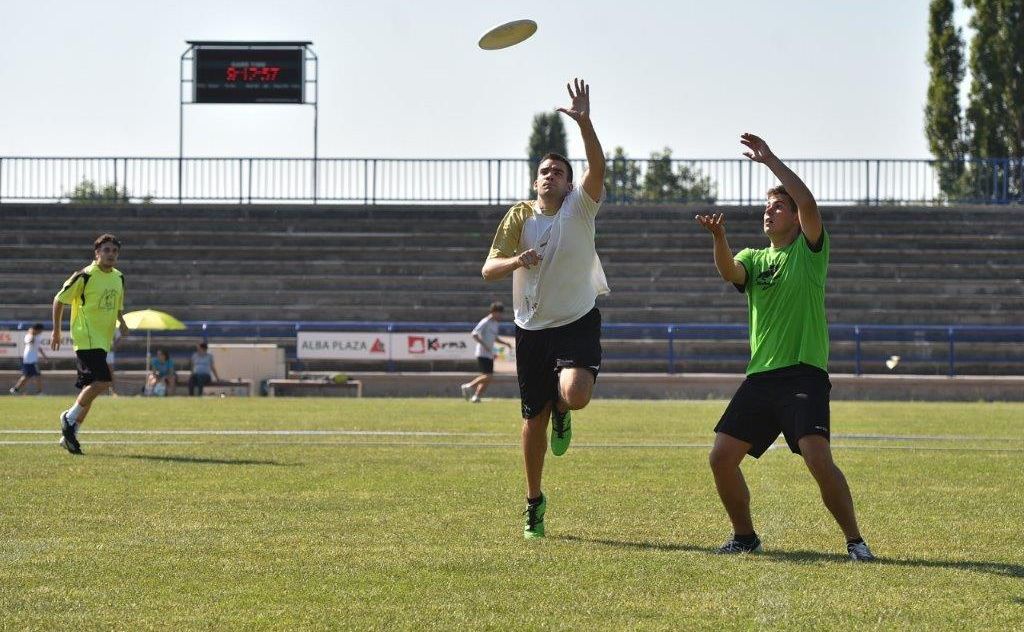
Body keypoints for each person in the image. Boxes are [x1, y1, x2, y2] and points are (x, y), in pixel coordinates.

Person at [694, 133, 874, 562]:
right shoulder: (755, 258)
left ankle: (855, 541)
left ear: (795, 217)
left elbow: (808, 202)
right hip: (761, 377)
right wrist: (719, 238)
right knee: (721, 458)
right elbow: (729, 272)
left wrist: (771, 160)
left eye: (778, 207)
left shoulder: (809, 252)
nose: (769, 212)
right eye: (767, 207)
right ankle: (744, 536)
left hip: (803, 373)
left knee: (817, 458)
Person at [481, 78, 607, 539]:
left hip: (576, 319)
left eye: (558, 171)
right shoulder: (520, 216)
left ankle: (563, 408)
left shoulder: (581, 207)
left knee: (575, 394)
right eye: (544, 171)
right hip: (531, 327)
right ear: (535, 180)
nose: (551, 175)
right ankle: (534, 501)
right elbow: (489, 270)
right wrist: (518, 260)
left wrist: (584, 123)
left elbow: (598, 165)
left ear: (569, 183)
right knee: (531, 419)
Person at [52, 233, 129, 455]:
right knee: (104, 380)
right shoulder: (84, 276)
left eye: (114, 251)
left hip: (103, 340)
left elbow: (117, 305)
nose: (111, 254)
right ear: (97, 253)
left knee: (92, 390)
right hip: (86, 337)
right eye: (106, 250)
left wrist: (122, 322)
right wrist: (57, 331)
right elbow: (59, 300)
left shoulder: (119, 277)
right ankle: (69, 418)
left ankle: (70, 435)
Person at [461, 302, 513, 403]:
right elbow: (474, 334)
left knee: (487, 378)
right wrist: (484, 345)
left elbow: (495, 338)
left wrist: (505, 343)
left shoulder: (495, 323)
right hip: (482, 353)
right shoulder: (485, 321)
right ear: (493, 312)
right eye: (499, 313)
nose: (500, 316)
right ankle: (468, 386)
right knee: (488, 376)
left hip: (489, 354)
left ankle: (476, 397)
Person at [10, 323, 48, 395]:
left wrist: (44, 356)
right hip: (30, 359)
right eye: (40, 330)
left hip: (31, 359)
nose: (41, 332)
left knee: (26, 376)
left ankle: (15, 389)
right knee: (38, 376)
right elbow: (31, 341)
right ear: (37, 330)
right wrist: (32, 333)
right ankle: (39, 392)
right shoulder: (29, 335)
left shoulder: (37, 336)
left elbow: (38, 347)